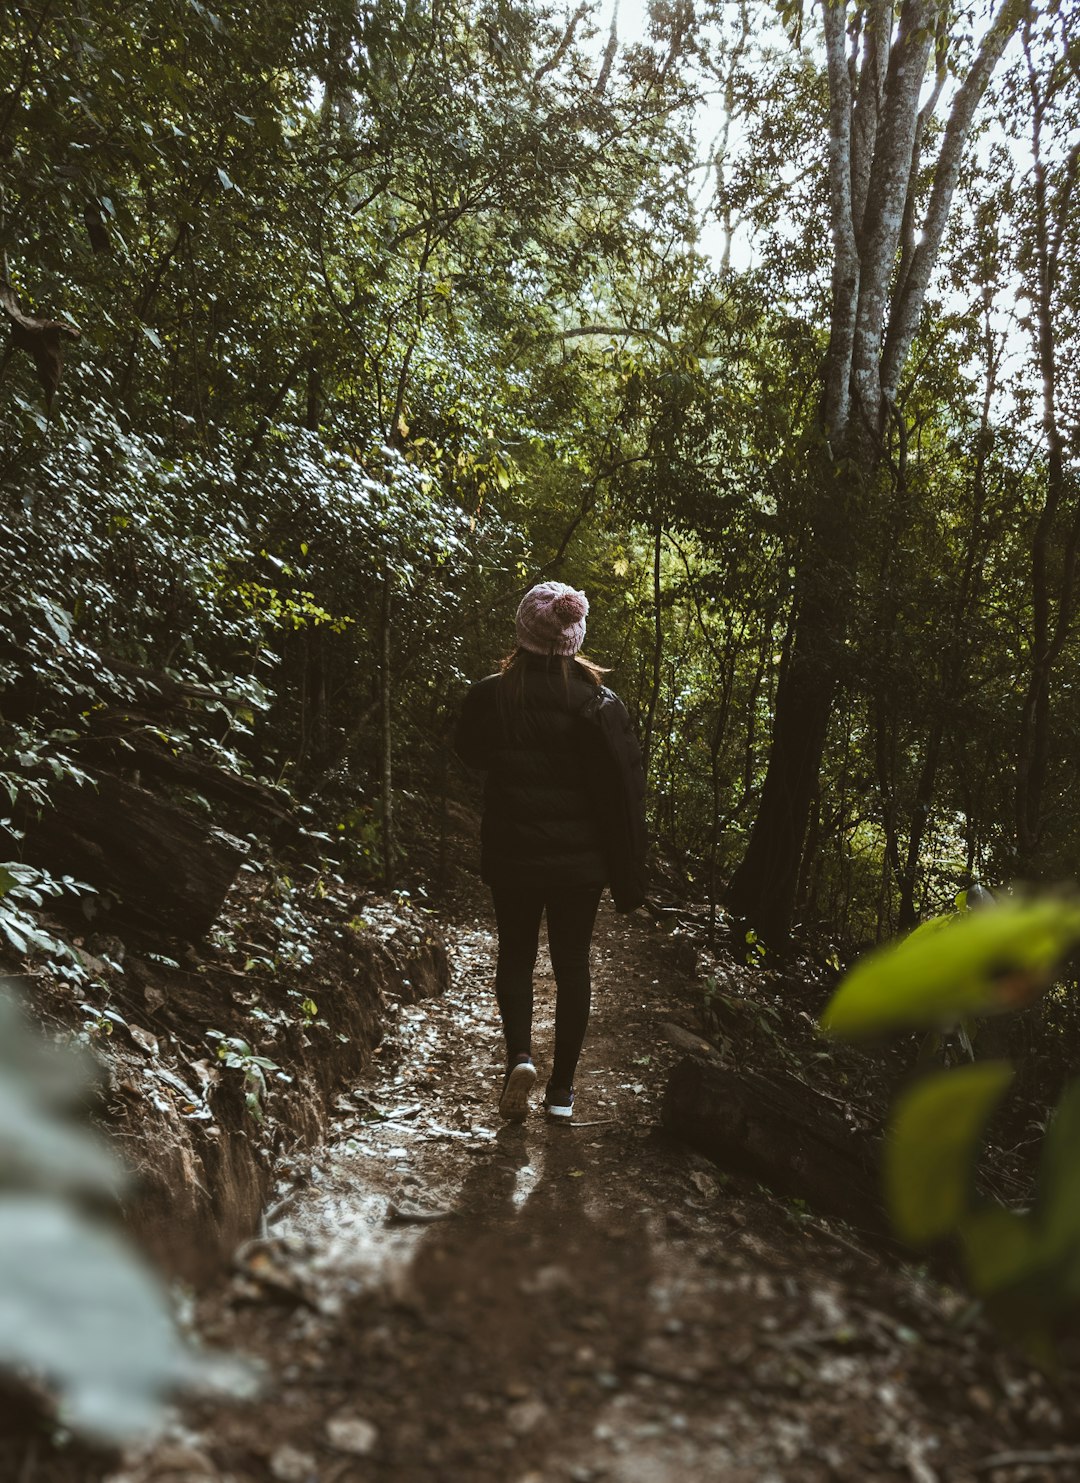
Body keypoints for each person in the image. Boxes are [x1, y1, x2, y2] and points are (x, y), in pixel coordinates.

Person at [454, 580, 647, 1124]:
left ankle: (519, 1056)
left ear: (525, 630)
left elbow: (468, 752)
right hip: (579, 864)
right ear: (574, 637)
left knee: (515, 954)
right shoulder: (599, 703)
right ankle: (561, 1093)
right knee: (572, 967)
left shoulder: (492, 693)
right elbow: (631, 784)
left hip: (513, 851)